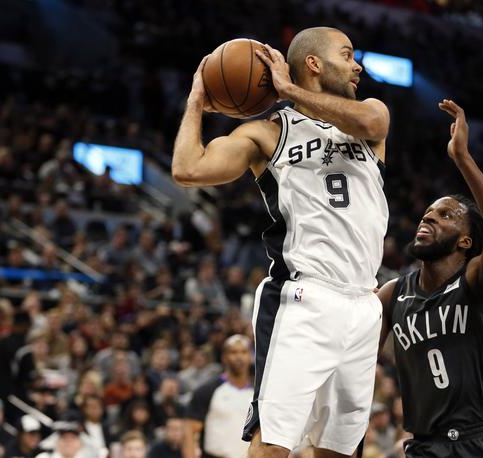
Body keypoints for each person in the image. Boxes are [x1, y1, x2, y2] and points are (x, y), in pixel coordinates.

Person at [172, 26, 389, 458]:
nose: (356, 65)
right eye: (346, 54)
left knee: (340, 449)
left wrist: (289, 88)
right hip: (304, 295)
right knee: (273, 443)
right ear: (314, 63)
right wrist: (197, 98)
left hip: (364, 304)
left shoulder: (369, 116)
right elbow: (188, 169)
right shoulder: (266, 134)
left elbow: (372, 121)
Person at [377, 99, 483, 457]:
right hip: (426, 446)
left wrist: (463, 159)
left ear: (466, 240)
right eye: (428, 212)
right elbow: (356, 359)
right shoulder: (392, 295)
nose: (428, 218)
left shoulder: (478, 280)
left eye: (445, 214)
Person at [183, 335, 253, 458]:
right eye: (233, 352)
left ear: (250, 356)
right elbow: (189, 432)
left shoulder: (257, 394)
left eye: (243, 352)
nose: (239, 357)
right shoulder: (207, 391)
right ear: (224, 357)